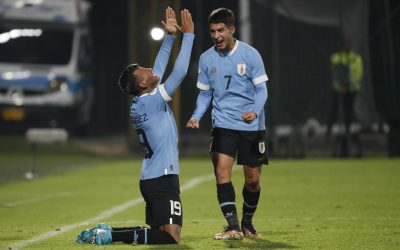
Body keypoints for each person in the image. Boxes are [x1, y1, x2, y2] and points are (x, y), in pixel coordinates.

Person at [75, 7, 194, 245]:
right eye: (145, 71)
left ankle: (107, 232)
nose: (151, 69)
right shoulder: (151, 101)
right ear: (142, 84)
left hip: (152, 177)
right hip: (162, 178)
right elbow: (179, 73)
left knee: (160, 235)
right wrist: (189, 36)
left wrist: (170, 37)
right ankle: (110, 235)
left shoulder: (143, 100)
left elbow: (159, 70)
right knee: (171, 237)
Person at [186, 7, 268, 240]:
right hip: (223, 124)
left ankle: (247, 224)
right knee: (222, 173)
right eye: (212, 31)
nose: (216, 35)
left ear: (232, 29)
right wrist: (196, 116)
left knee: (252, 181)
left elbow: (262, 89)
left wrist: (254, 110)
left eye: (221, 30)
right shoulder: (206, 58)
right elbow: (205, 94)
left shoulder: (250, 55)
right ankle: (232, 226)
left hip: (252, 126)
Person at [327, 39, 363, 157]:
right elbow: (335, 70)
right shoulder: (337, 57)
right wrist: (341, 83)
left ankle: (347, 130)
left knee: (349, 111)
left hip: (351, 89)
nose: (348, 46)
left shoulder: (356, 59)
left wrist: (349, 83)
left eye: (349, 44)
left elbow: (358, 74)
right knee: (334, 109)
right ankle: (330, 130)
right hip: (338, 89)